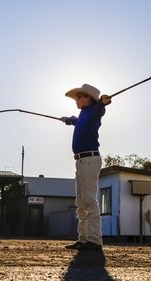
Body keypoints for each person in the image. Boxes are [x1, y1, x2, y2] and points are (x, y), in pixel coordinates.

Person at [60, 83, 112, 251]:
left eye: (80, 96)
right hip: (82, 161)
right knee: (81, 201)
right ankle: (83, 239)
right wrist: (69, 120)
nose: (77, 99)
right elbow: (78, 122)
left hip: (89, 159)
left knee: (89, 200)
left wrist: (103, 102)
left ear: (88, 99)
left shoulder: (94, 111)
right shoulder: (84, 115)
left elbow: (99, 110)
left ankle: (95, 240)